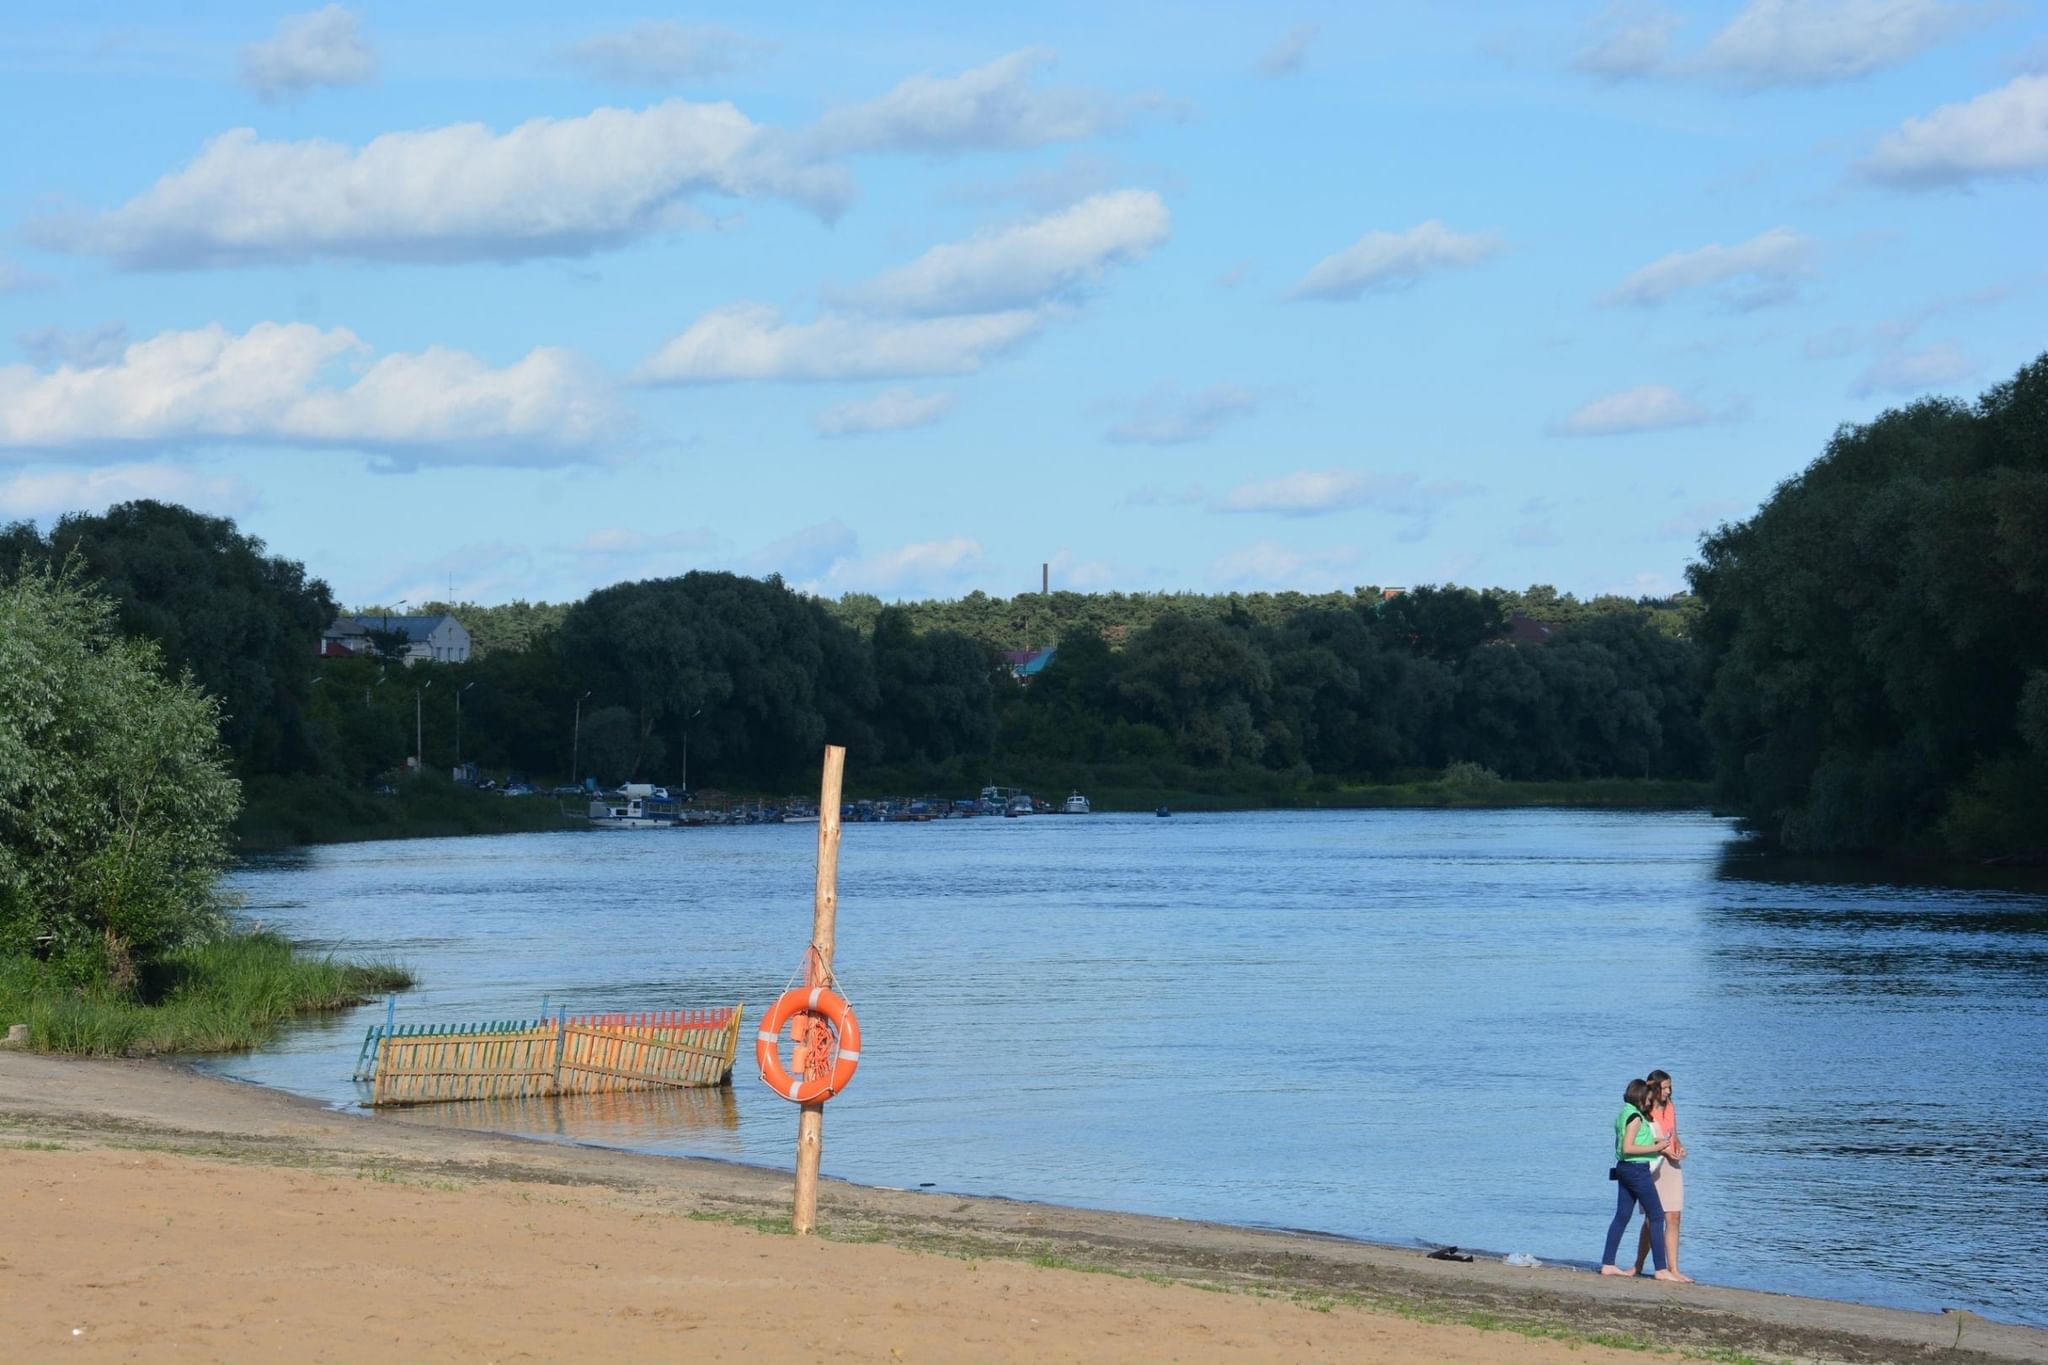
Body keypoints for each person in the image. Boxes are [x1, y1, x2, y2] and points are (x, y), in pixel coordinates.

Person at [1600, 1078, 1690, 1281]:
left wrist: (1655, 1141)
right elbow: (1628, 1148)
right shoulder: (1635, 1117)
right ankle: (1661, 1269)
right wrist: (1656, 1148)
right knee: (1657, 1215)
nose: (1650, 1103)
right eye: (1648, 1099)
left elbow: (1631, 1141)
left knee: (1622, 1216)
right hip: (1636, 1170)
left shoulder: (1625, 1113)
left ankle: (1608, 1263)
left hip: (1625, 1169)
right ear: (1640, 1097)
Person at [1632, 1069, 1687, 1279]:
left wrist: (1680, 1147)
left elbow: (1674, 1135)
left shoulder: (1670, 1107)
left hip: (1671, 1164)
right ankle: (1639, 1265)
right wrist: (1661, 1149)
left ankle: (1674, 1269)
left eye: (1670, 1087)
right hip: (1652, 1165)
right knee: (1652, 1219)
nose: (1668, 1091)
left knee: (1674, 1216)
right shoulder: (1644, 1109)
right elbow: (1641, 1140)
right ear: (1654, 1087)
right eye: (1665, 1087)